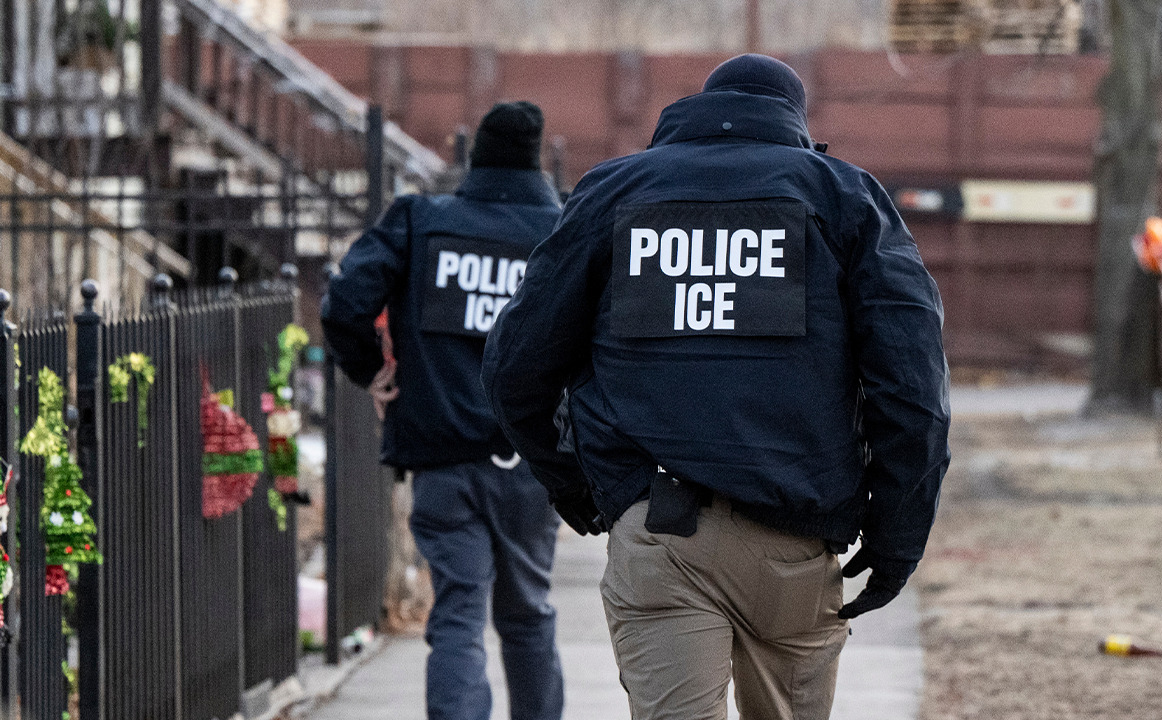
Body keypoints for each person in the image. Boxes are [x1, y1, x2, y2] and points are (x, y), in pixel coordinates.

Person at [482, 55, 950, 719]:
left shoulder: (613, 191)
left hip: (659, 528)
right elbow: (913, 385)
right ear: (793, 121)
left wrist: (576, 485)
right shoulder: (844, 196)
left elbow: (516, 364)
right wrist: (897, 535)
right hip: (794, 537)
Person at [322, 101, 565, 720]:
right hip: (531, 464)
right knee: (528, 614)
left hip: (444, 458)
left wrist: (371, 371)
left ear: (476, 157)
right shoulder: (562, 232)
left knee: (457, 614)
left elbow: (345, 302)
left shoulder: (421, 220)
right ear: (535, 160)